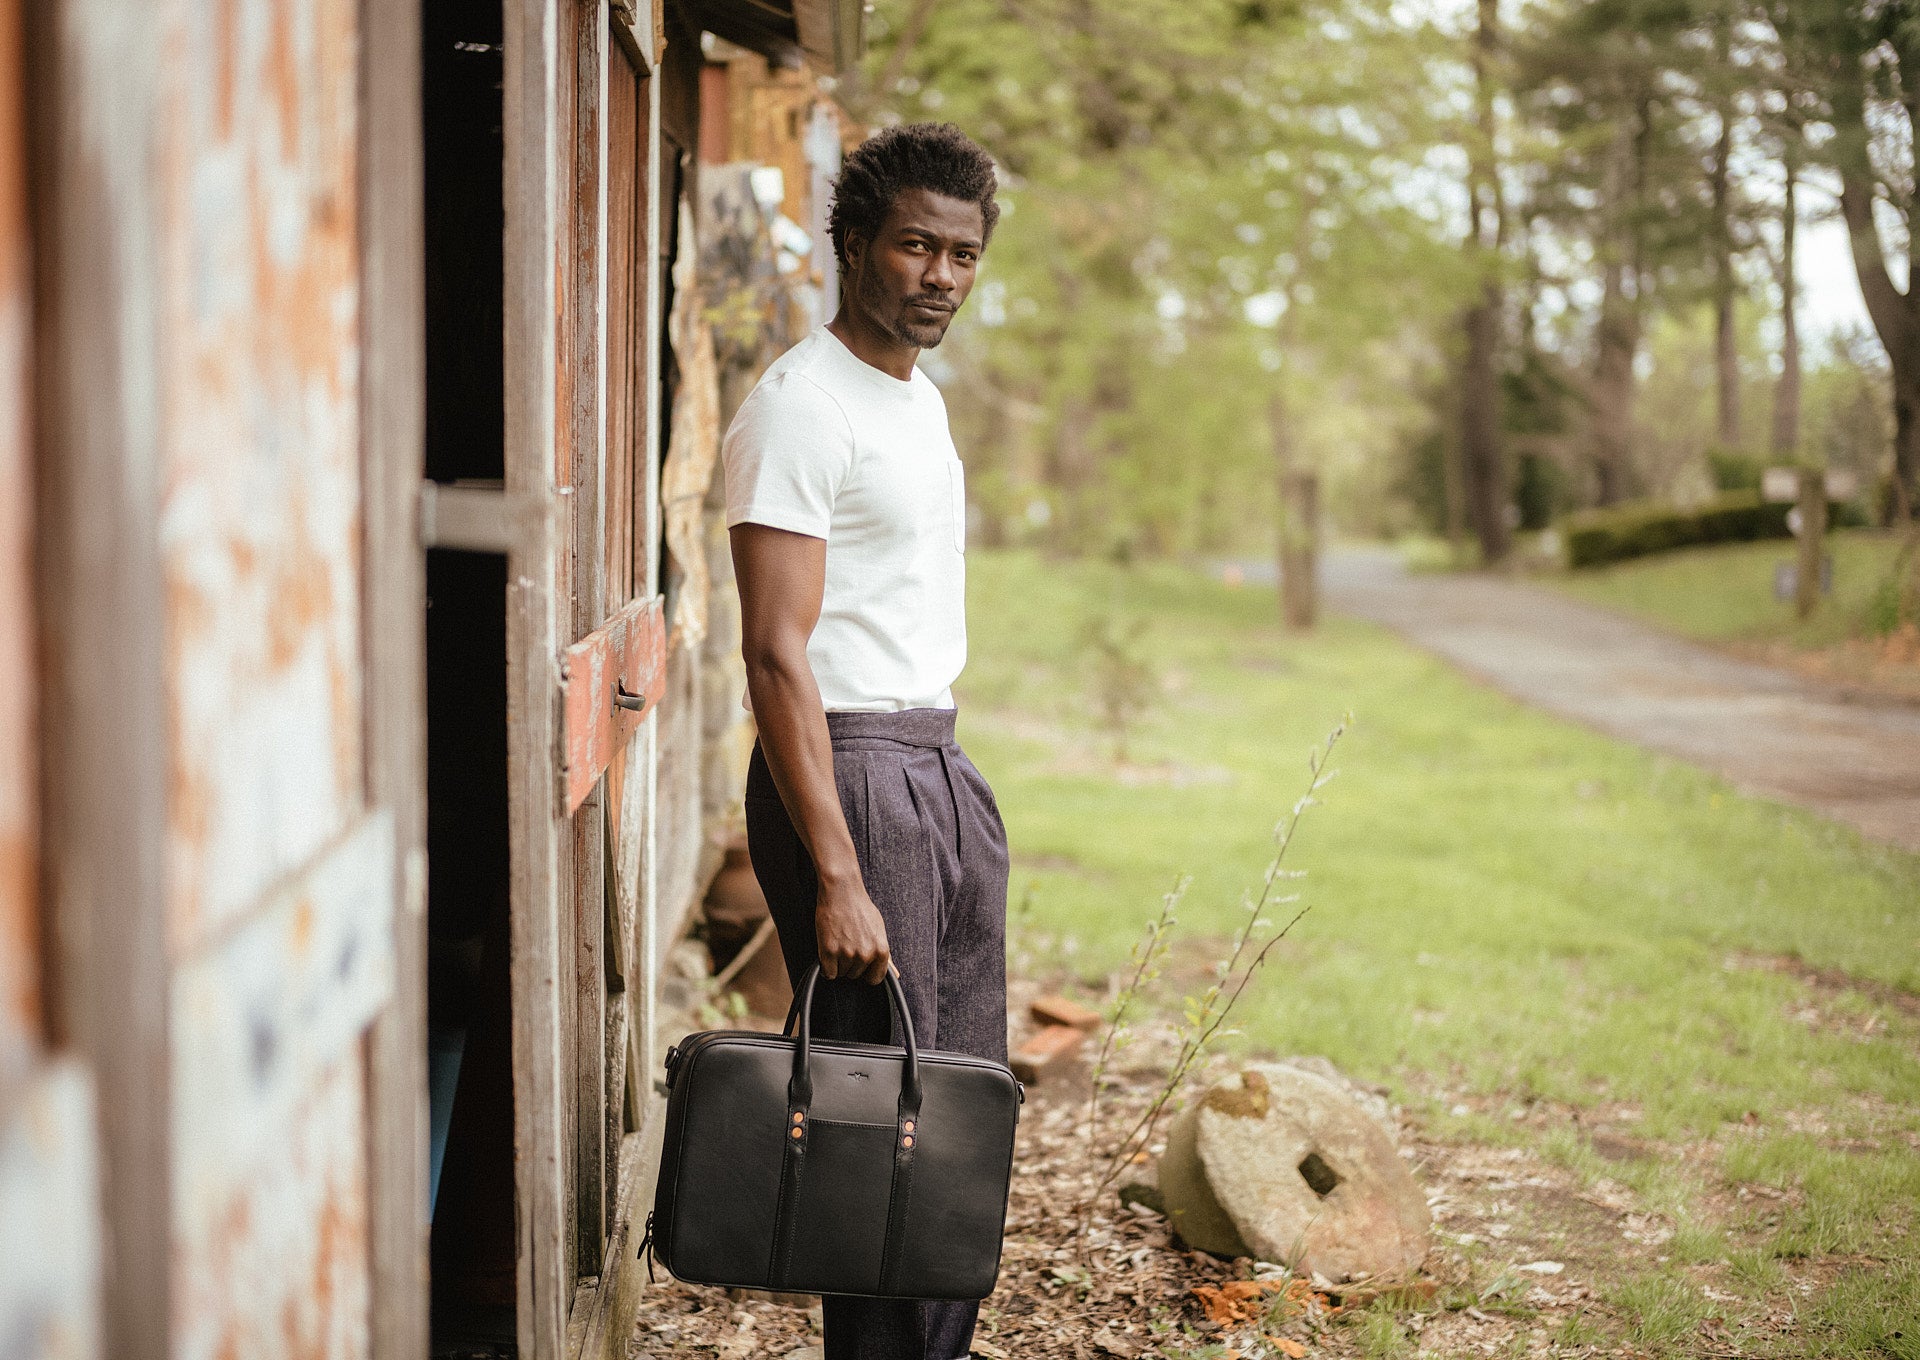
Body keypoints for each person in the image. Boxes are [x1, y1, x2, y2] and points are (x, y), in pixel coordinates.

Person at [722, 122, 1008, 1360]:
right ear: (853, 244)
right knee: (877, 1122)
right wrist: (838, 869)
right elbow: (777, 654)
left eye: (963, 253)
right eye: (915, 245)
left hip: (938, 765)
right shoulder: (798, 406)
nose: (940, 273)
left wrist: (954, 792)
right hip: (849, 775)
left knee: (958, 1114)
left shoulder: (918, 402)